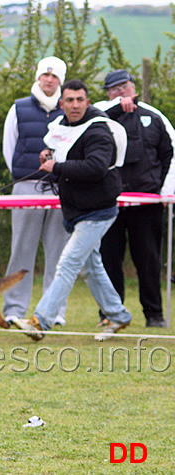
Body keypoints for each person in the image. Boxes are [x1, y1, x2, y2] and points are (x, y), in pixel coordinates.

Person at [13, 79, 132, 341]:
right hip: (75, 210)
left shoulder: (98, 131)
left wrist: (55, 167)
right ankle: (119, 315)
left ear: (87, 102)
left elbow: (95, 168)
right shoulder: (62, 126)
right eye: (70, 100)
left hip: (99, 211)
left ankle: (40, 321)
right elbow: (63, 153)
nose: (75, 105)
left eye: (80, 100)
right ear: (61, 104)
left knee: (67, 264)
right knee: (91, 268)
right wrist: (49, 156)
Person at [94, 69, 175, 328]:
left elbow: (170, 155)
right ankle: (110, 315)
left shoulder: (154, 116)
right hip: (109, 203)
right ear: (107, 93)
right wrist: (116, 110)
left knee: (148, 260)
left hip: (147, 203)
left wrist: (166, 192)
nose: (120, 92)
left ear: (134, 88)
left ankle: (154, 315)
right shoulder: (98, 117)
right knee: (108, 261)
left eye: (124, 87)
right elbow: (81, 138)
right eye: (114, 89)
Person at [2, 56, 70, 327]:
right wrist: (24, 176)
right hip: (27, 187)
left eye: (54, 77)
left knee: (59, 252)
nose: (49, 80)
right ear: (38, 77)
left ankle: (54, 310)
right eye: (45, 75)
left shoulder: (70, 109)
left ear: (61, 81)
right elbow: (10, 148)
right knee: (21, 249)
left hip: (61, 189)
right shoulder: (18, 108)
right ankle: (14, 309)